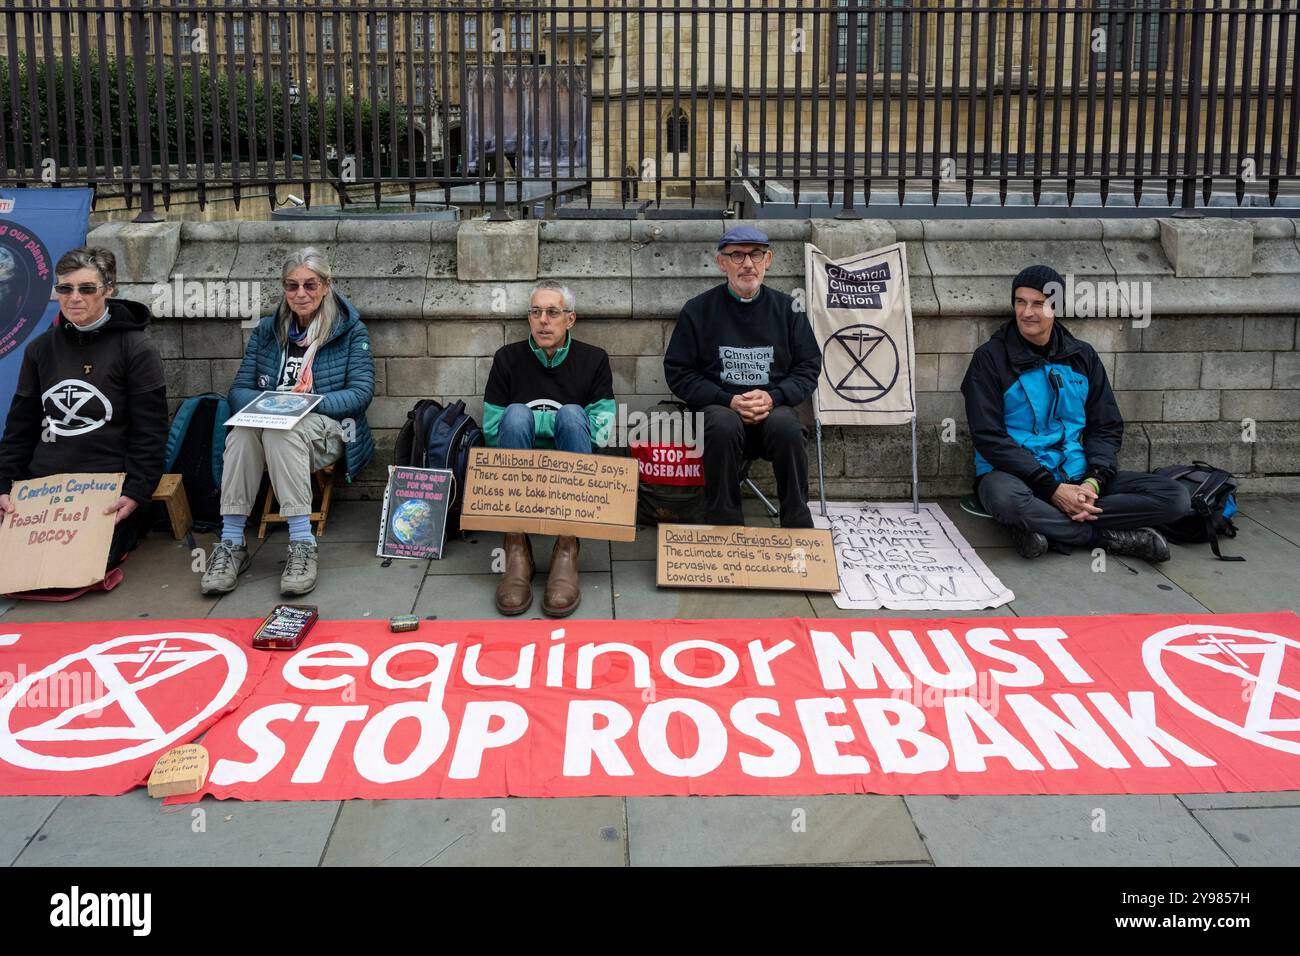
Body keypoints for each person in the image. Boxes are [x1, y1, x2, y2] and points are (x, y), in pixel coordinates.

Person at [961, 264, 1190, 562]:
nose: (1027, 312)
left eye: (1038, 304)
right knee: (1005, 500)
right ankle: (1106, 536)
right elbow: (988, 437)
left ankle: (1045, 526)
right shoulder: (989, 359)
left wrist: (1093, 481)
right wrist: (1052, 488)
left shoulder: (1083, 356)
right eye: (1020, 302)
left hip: (1078, 474)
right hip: (1016, 476)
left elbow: (1105, 426)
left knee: (1176, 498)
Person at [200, 248, 375, 596]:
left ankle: (301, 543)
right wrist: (273, 405)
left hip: (324, 426)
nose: (300, 294)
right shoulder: (269, 330)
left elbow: (360, 393)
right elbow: (238, 391)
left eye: (310, 285)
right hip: (268, 423)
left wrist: (304, 405)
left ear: (326, 285)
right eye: (292, 286)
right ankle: (233, 542)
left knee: (283, 431)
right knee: (243, 430)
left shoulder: (349, 330)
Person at [0, 247, 168, 575]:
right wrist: (4, 485)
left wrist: (136, 491)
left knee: (73, 569)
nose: (74, 297)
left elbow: (151, 432)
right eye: (65, 288)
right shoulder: (39, 350)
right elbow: (19, 427)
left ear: (108, 289)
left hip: (105, 486)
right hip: (42, 486)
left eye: (86, 289)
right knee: (17, 569)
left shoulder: (136, 348)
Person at [663, 225, 821, 528]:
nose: (748, 264)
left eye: (756, 255)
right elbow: (678, 372)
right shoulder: (698, 310)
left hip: (775, 409)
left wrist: (773, 397)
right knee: (721, 426)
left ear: (768, 259)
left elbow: (808, 365)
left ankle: (798, 524)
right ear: (721, 262)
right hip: (720, 409)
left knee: (789, 428)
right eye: (737, 255)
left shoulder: (789, 309)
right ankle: (724, 525)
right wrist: (728, 399)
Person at [482, 280, 615, 617]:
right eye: (536, 312)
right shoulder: (507, 358)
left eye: (552, 312)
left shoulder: (594, 359)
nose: (543, 320)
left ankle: (567, 546)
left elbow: (602, 429)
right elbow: (493, 429)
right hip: (518, 465)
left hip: (572, 465)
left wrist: (553, 421)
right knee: (514, 414)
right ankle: (515, 545)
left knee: (572, 415)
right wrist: (532, 420)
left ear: (569, 319)